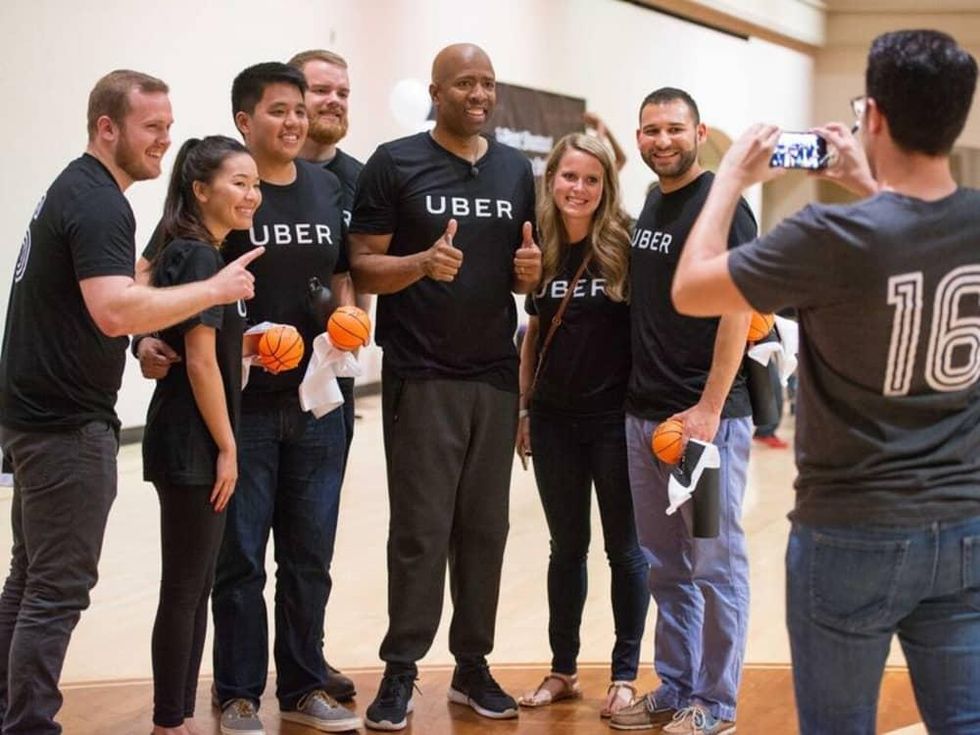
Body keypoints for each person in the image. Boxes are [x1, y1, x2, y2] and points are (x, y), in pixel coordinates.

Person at [672, 29, 980, 735]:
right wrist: (870, 185)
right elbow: (910, 243)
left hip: (851, 531)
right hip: (964, 527)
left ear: (873, 115)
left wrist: (729, 178)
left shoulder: (827, 237)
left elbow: (692, 288)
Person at [0, 70, 261, 735]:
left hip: (38, 419)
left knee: (30, 581)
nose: (163, 141)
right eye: (152, 128)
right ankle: (29, 722)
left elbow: (107, 310)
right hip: (64, 425)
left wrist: (144, 339)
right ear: (106, 128)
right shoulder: (99, 202)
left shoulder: (79, 190)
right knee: (56, 589)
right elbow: (114, 308)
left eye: (169, 128)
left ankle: (11, 711)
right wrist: (213, 293)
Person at [348, 42, 540, 731]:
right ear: (437, 91)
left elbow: (532, 270)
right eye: (465, 83)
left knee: (486, 529)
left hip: (493, 372)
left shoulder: (517, 168)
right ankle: (401, 671)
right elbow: (361, 267)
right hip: (421, 372)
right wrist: (421, 263)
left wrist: (529, 271)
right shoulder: (394, 162)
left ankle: (472, 666)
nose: (479, 94)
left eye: (488, 83)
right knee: (422, 530)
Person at [207, 63, 358, 735]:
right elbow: (177, 273)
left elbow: (342, 275)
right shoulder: (229, 192)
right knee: (239, 555)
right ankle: (238, 691)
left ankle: (302, 683)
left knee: (308, 554)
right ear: (244, 121)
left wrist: (351, 323)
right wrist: (239, 340)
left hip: (319, 401)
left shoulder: (327, 188)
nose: (295, 120)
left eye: (300, 109)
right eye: (278, 110)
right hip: (245, 408)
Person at [610, 88, 755, 735]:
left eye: (673, 129)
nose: (661, 140)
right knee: (664, 562)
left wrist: (708, 410)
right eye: (650, 130)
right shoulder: (650, 202)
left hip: (705, 423)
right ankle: (675, 684)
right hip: (645, 419)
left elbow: (738, 310)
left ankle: (716, 703)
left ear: (700, 132)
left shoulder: (723, 208)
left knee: (713, 563)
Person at [514, 133, 648, 718]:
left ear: (606, 186)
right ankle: (563, 669)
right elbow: (535, 336)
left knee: (626, 550)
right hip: (553, 422)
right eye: (570, 176)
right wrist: (523, 409)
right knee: (565, 548)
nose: (579, 188)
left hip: (616, 423)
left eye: (591, 180)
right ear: (553, 179)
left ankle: (623, 674)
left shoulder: (627, 244)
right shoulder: (536, 245)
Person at [142, 135, 262, 735]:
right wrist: (229, 447)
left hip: (193, 437)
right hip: (193, 442)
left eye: (255, 183)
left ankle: (179, 715)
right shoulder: (195, 257)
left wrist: (252, 348)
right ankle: (170, 721)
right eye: (238, 182)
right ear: (200, 190)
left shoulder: (207, 254)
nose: (252, 193)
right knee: (186, 589)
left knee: (192, 588)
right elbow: (198, 363)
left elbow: (210, 347)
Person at [289, 48, 369, 485]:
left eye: (343, 92)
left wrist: (354, 347)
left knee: (314, 534)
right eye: (321, 89)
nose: (334, 100)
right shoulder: (249, 172)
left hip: (332, 371)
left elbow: (361, 271)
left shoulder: (363, 178)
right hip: (260, 376)